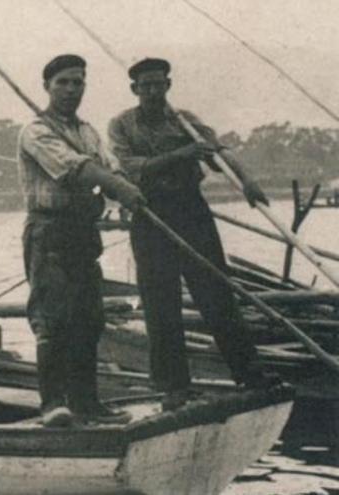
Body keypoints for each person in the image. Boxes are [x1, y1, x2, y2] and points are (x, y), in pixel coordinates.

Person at [108, 57, 281, 411]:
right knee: (160, 302)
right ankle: (174, 388)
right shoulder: (122, 125)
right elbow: (133, 169)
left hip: (191, 210)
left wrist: (246, 179)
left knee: (217, 291)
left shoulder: (185, 121)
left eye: (159, 84)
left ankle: (249, 373)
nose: (154, 91)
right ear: (135, 89)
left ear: (168, 85)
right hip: (150, 214)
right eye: (146, 86)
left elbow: (220, 151)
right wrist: (183, 153)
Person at [18, 54, 146, 426]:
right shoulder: (36, 131)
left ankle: (87, 403)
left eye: (78, 82)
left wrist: (124, 187)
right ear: (47, 86)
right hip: (49, 231)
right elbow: (76, 169)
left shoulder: (88, 132)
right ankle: (52, 405)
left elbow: (110, 166)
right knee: (53, 319)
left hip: (82, 233)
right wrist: (118, 187)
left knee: (89, 320)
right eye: (63, 82)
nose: (72, 89)